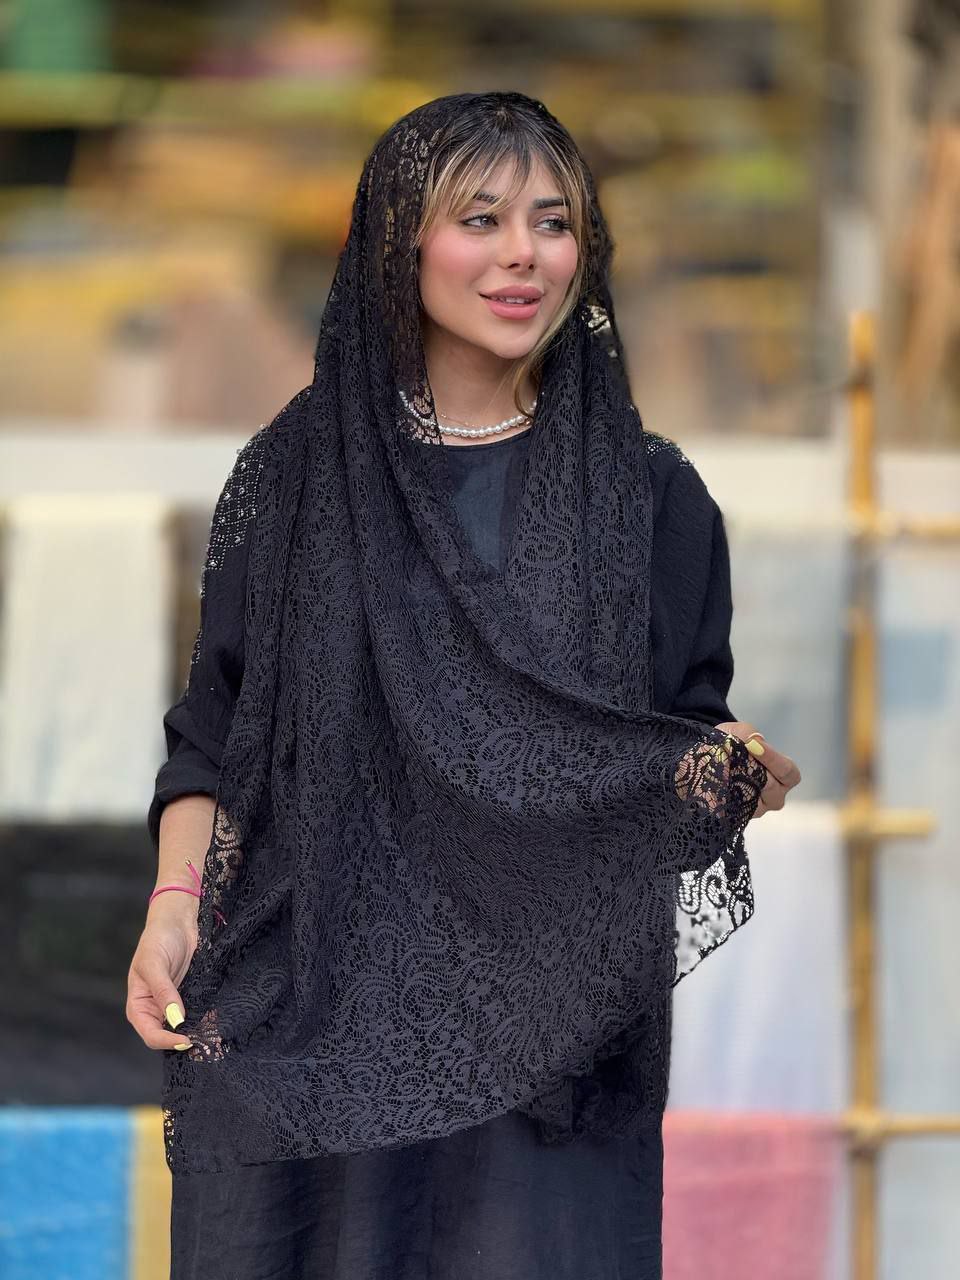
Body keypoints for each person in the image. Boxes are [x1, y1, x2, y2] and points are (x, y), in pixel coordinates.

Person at [127, 91, 800, 1279]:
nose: (521, 254)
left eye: (553, 222)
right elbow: (216, 742)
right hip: (310, 1019)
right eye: (480, 219)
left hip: (547, 1048)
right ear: (401, 241)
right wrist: (175, 903)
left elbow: (669, 752)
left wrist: (728, 769)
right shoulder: (293, 479)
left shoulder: (650, 500)